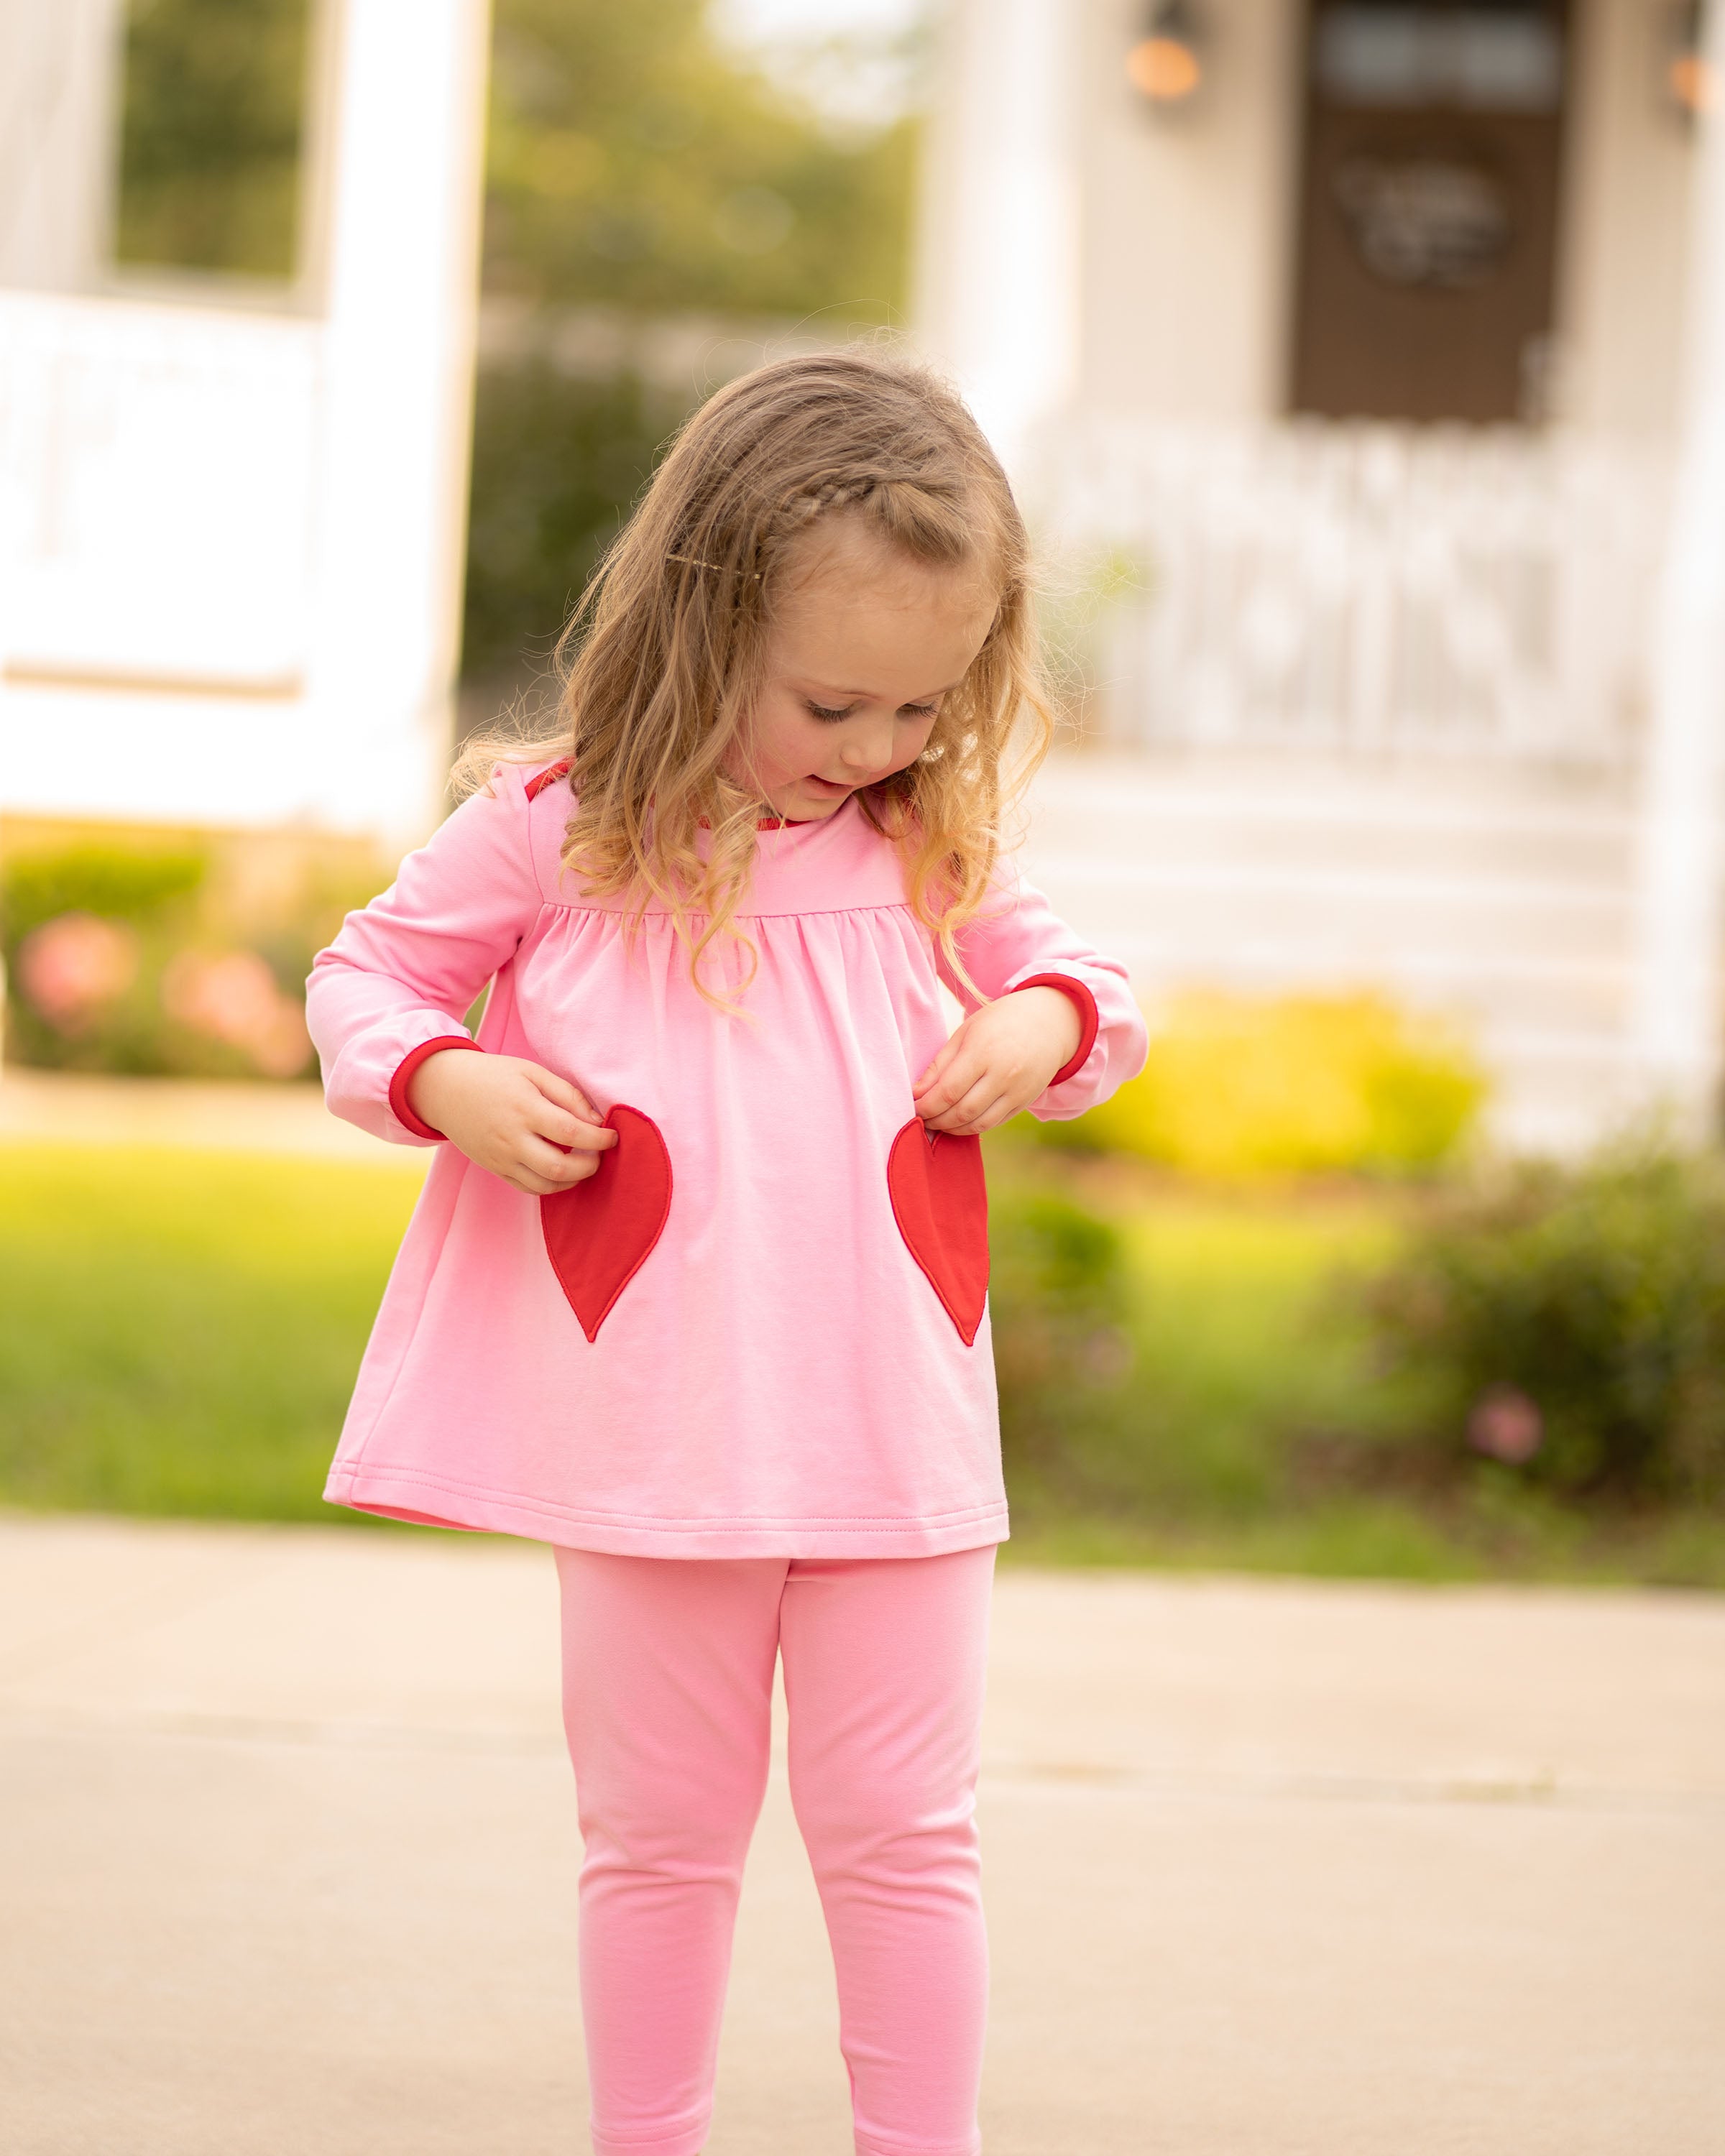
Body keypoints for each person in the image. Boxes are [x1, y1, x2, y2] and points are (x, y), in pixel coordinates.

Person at [307, 349, 1147, 2156]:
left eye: (923, 710)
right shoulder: (558, 833)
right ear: (706, 627)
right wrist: (443, 1072)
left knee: (909, 1834)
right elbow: (364, 975)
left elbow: (1097, 992)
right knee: (660, 1836)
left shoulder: (932, 853)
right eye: (835, 703)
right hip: (655, 1449)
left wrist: (1047, 1025)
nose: (876, 752)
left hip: (893, 1445)